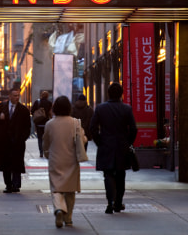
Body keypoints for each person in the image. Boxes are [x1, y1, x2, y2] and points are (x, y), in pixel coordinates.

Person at [90, 82, 137, 214]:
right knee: (121, 175)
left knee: (108, 174)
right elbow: (133, 129)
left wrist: (100, 141)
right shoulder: (127, 109)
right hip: (122, 146)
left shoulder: (100, 108)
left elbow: (93, 128)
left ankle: (110, 201)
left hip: (106, 145)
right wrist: (128, 142)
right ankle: (118, 203)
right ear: (121, 94)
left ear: (108, 93)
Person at [43, 96, 84, 228]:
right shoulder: (75, 122)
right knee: (70, 191)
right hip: (71, 160)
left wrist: (46, 153)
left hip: (55, 159)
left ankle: (59, 209)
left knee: (56, 189)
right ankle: (69, 218)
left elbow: (46, 143)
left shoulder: (50, 124)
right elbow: (82, 140)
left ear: (54, 108)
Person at [0, 88, 32, 193]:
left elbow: (27, 127)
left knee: (16, 163)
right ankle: (8, 185)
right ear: (10, 96)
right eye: (15, 95)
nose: (17, 97)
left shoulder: (23, 110)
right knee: (5, 164)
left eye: (18, 95)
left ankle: (16, 185)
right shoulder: (1, 107)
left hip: (17, 141)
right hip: (4, 141)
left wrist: (22, 138)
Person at [31, 91, 52, 157]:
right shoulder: (49, 103)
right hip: (46, 123)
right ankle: (46, 150)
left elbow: (32, 111)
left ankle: (41, 152)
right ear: (47, 96)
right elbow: (50, 113)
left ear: (41, 95)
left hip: (38, 122)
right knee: (46, 138)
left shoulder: (37, 102)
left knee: (40, 138)